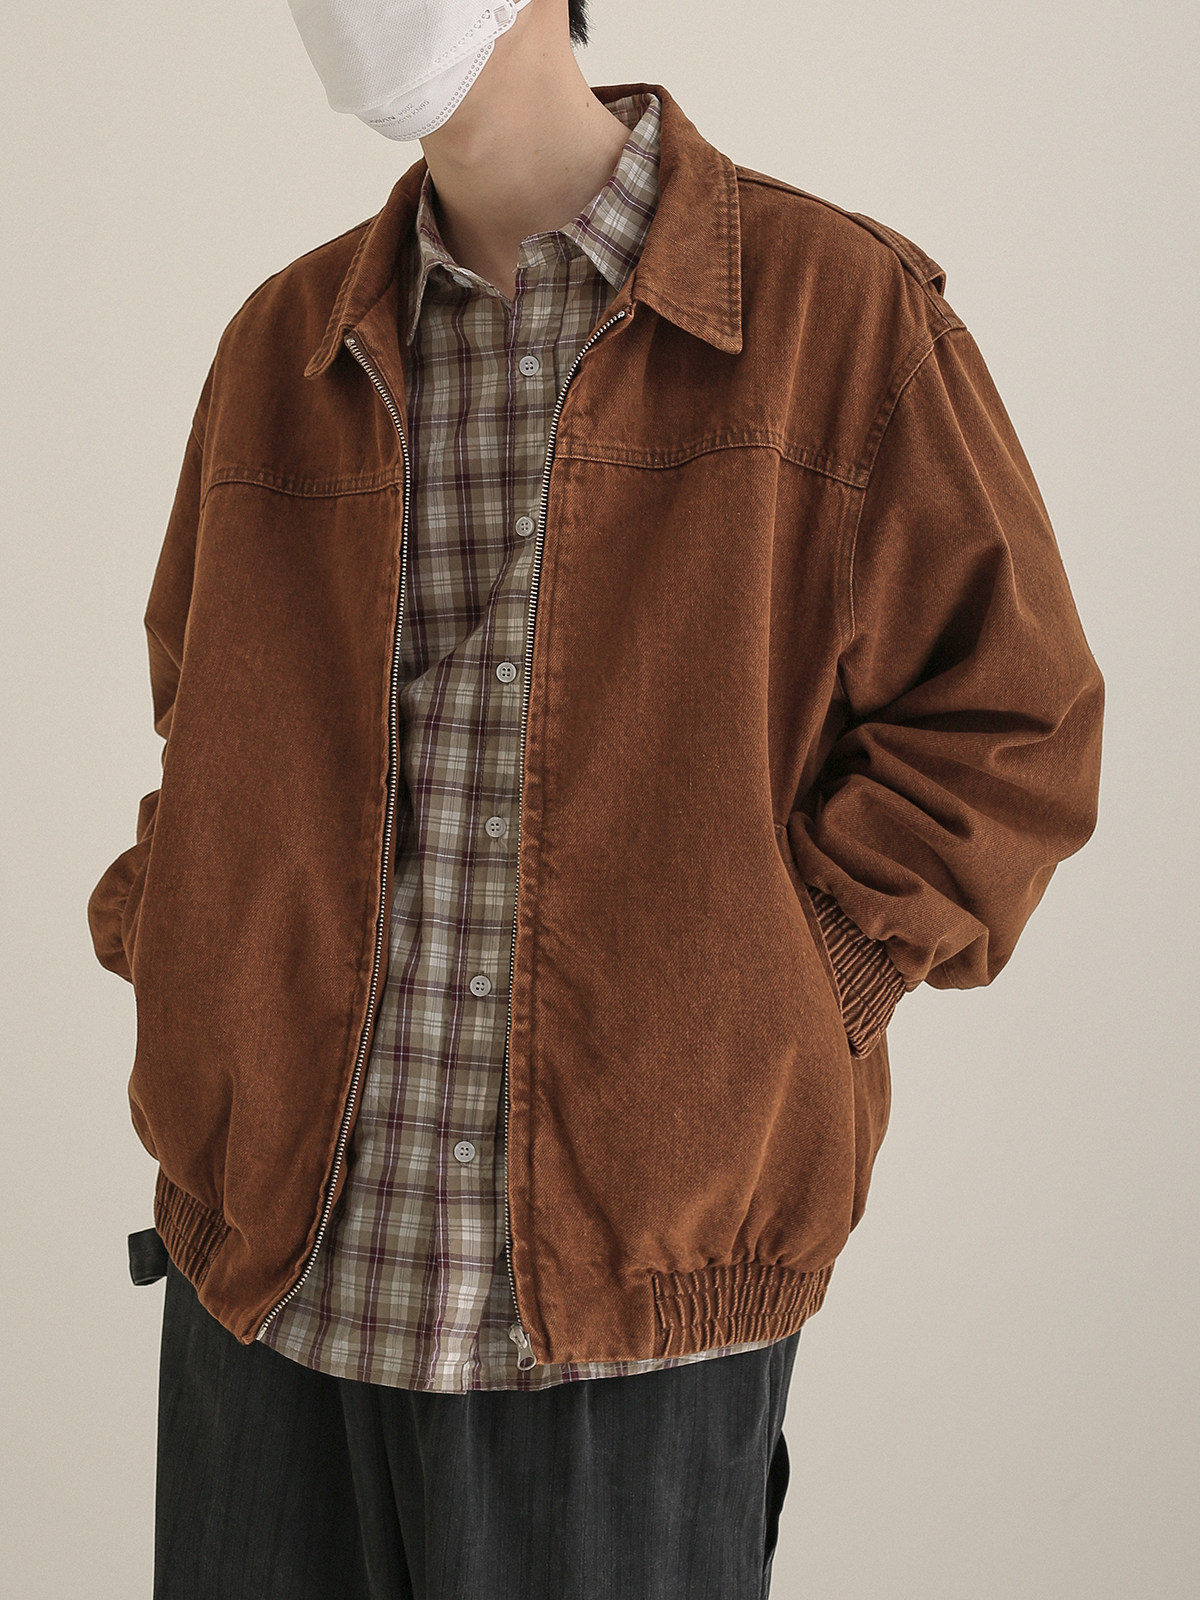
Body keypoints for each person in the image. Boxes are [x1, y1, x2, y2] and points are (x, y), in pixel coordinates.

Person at [89, 1, 1106, 1595]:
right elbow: (200, 711)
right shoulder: (280, 347)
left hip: (625, 1314)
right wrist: (187, 950)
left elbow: (1012, 724)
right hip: (274, 1286)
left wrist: (787, 995)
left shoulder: (836, 316)